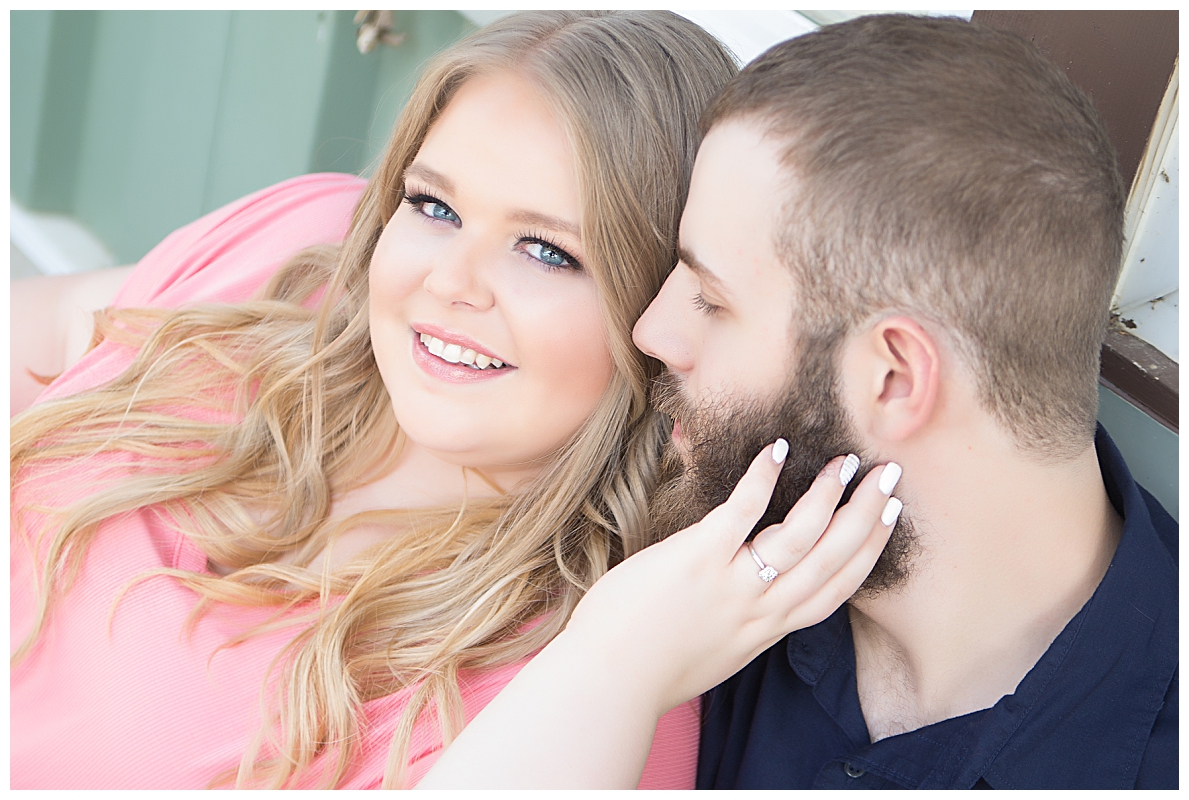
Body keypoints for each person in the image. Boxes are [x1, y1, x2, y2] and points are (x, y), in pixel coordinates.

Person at [9, 11, 806, 789]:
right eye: (434, 206)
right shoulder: (301, 252)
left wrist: (614, 672)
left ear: (664, 310)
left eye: (546, 251)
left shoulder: (576, 705)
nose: (448, 281)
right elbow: (43, 328)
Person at [419, 14, 1177, 790]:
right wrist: (610, 662)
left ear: (893, 379)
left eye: (710, 301)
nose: (651, 331)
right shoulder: (680, 551)